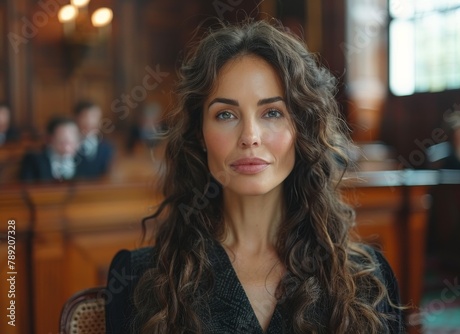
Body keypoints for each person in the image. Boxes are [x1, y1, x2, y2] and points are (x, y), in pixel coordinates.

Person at [105, 20, 403, 333]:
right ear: (199, 134)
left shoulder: (365, 278)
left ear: (300, 129)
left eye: (272, 112)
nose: (250, 137)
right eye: (226, 115)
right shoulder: (140, 278)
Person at [19, 116, 80, 182]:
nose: (68, 146)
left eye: (72, 141)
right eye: (63, 141)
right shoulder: (34, 161)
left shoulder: (85, 161)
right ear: (49, 138)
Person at [74, 100, 114, 178]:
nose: (91, 121)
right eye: (86, 116)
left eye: (95, 116)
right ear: (77, 118)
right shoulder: (67, 145)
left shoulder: (107, 147)